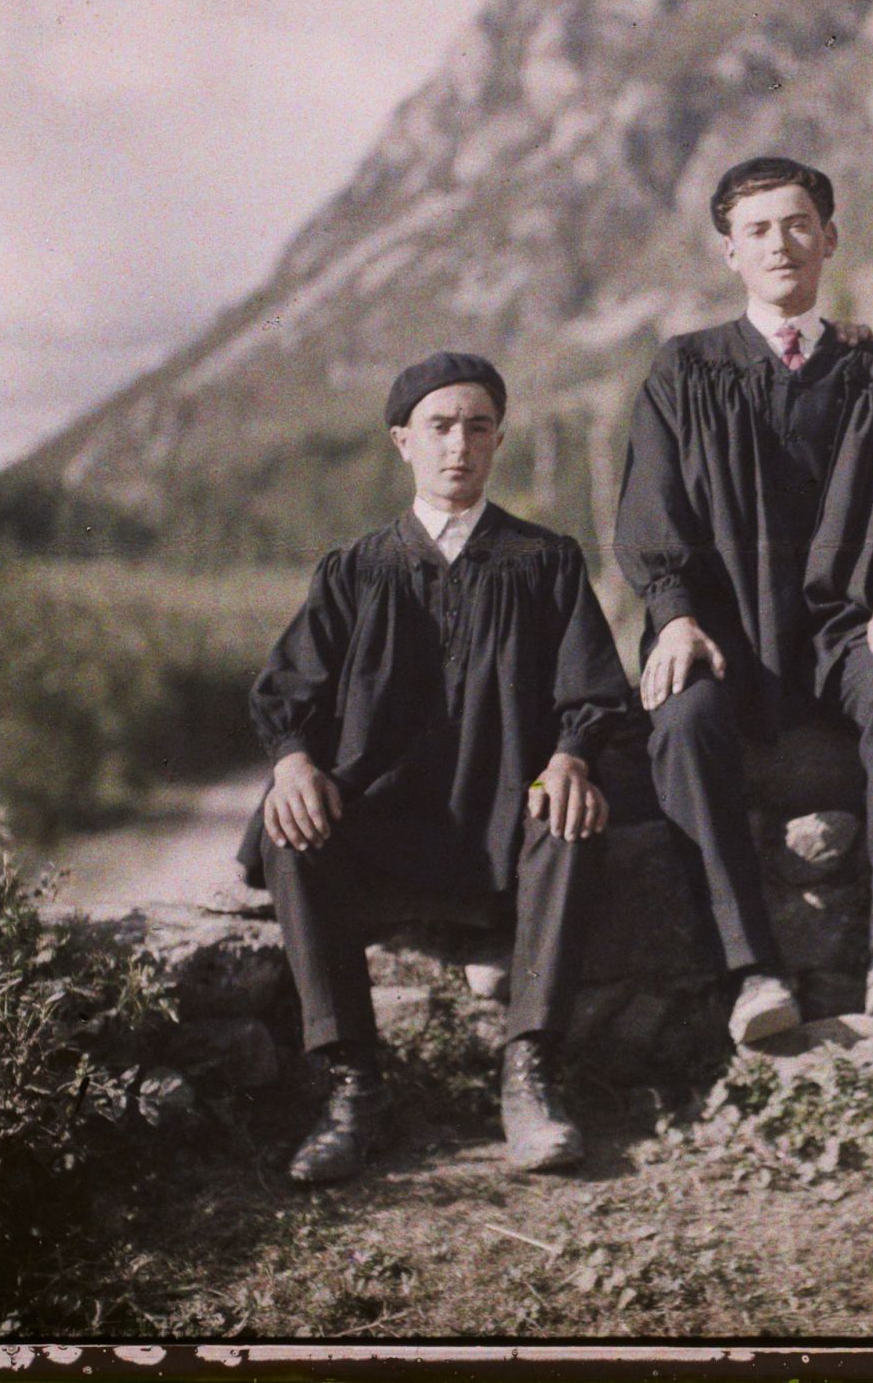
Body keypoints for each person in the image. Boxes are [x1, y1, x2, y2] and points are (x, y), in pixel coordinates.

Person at [235, 351, 630, 1182]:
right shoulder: (356, 570)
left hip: (501, 819)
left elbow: (592, 689)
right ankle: (352, 1088)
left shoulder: (545, 562)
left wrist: (570, 756)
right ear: (402, 442)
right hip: (381, 819)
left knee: (572, 815)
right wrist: (295, 759)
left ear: (498, 441)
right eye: (440, 426)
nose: (460, 445)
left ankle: (530, 1075)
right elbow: (287, 687)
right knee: (288, 826)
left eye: (478, 426)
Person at [614, 155, 873, 1046]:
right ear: (730, 252)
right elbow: (652, 508)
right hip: (725, 632)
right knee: (682, 721)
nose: (781, 243)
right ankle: (753, 969)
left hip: (846, 625)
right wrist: (675, 612)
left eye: (798, 223)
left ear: (830, 238)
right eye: (759, 229)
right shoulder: (685, 371)